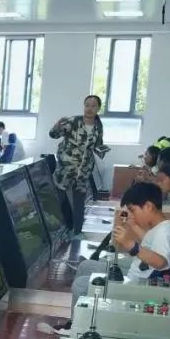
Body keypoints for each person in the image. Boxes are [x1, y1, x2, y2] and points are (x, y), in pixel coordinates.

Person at [38, 182, 170, 333]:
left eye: (133, 210)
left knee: (80, 285)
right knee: (85, 266)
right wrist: (133, 226)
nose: (132, 214)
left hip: (136, 284)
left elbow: (161, 261)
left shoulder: (165, 232)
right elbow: (150, 243)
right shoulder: (161, 227)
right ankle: (75, 320)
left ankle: (77, 327)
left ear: (148, 206)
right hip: (135, 273)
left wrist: (131, 245)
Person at [49, 96, 111, 236]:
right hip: (65, 169)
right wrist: (57, 124)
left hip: (83, 171)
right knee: (58, 200)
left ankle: (77, 232)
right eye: (87, 105)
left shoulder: (98, 126)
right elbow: (53, 135)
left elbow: (97, 145)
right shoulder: (73, 121)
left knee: (79, 203)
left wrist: (102, 150)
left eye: (93, 106)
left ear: (98, 108)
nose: (89, 109)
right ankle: (55, 231)